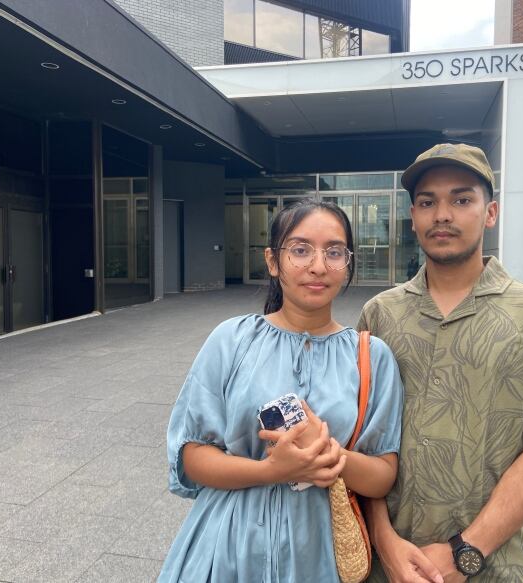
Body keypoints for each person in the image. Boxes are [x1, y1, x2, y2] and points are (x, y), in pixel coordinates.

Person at [358, 143, 523, 583]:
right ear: (413, 217)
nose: (442, 214)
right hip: (386, 564)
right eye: (427, 202)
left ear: (491, 213)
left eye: (461, 199)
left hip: (494, 566)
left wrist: (465, 552)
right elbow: (365, 440)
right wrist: (383, 541)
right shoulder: (380, 314)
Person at [158, 199, 404, 583]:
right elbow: (193, 456)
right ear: (273, 262)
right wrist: (271, 469)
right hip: (228, 544)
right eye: (301, 250)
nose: (318, 266)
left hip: (317, 552)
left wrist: (328, 455)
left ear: (348, 263)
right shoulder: (232, 340)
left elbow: (382, 475)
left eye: (334, 252)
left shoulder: (371, 356)